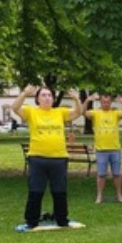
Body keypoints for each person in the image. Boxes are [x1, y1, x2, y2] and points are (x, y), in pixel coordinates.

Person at [12, 85, 82, 228]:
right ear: (37, 99)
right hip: (38, 158)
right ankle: (31, 221)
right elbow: (14, 108)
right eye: (43, 95)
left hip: (59, 158)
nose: (47, 98)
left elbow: (77, 113)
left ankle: (62, 220)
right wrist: (25, 93)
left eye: (49, 95)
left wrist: (76, 99)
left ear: (53, 99)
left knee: (60, 191)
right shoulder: (31, 112)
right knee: (36, 191)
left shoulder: (59, 112)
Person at [83, 93, 122, 203]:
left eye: (108, 102)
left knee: (117, 174)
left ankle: (119, 195)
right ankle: (99, 196)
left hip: (115, 149)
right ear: (100, 102)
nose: (106, 104)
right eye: (104, 102)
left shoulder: (115, 113)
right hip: (101, 150)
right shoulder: (96, 113)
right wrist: (87, 100)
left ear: (111, 102)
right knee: (101, 174)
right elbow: (83, 112)